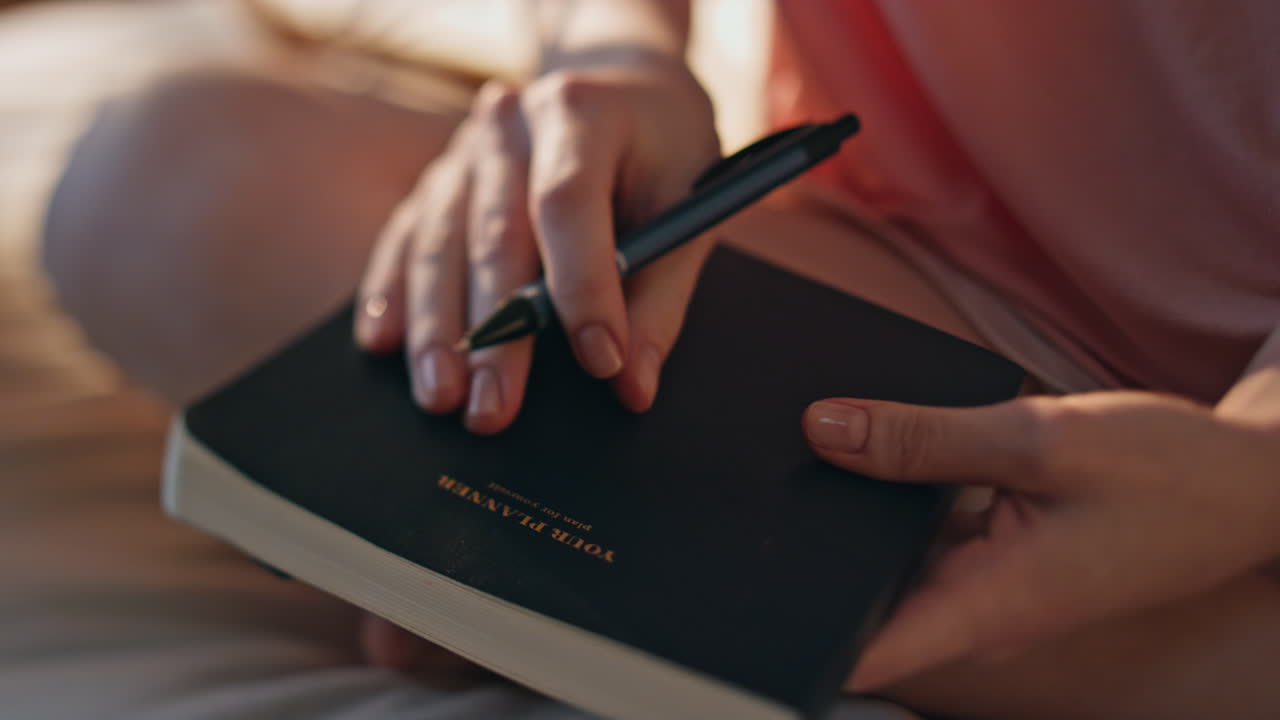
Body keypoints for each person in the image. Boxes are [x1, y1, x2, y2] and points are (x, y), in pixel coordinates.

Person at [31, 0, 1280, 718]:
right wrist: (613, 48)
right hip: (888, 273)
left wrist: (1251, 464)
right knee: (170, 186)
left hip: (1238, 430)